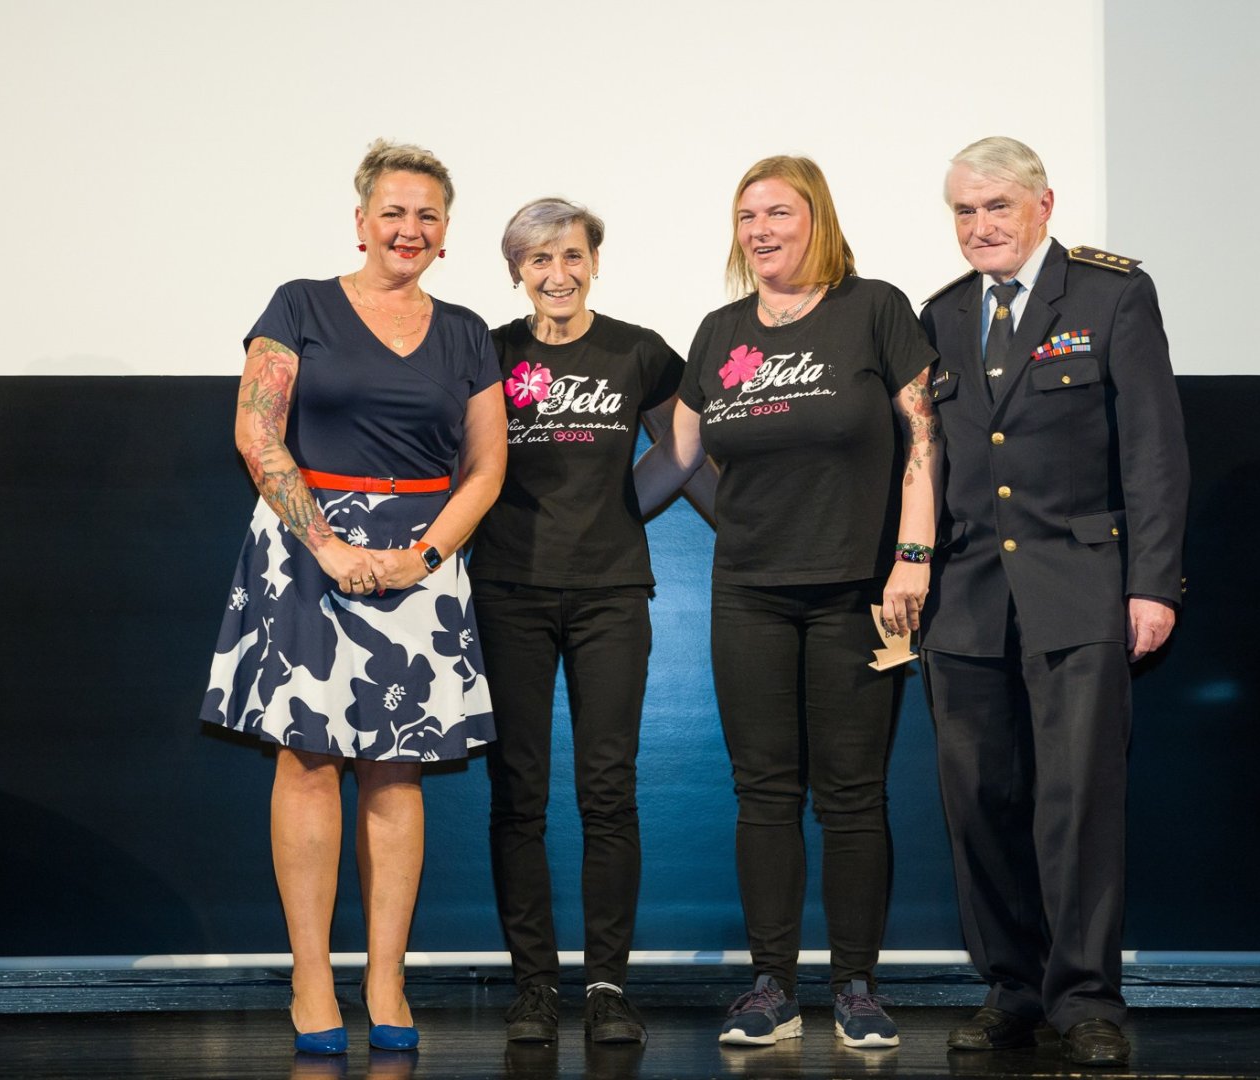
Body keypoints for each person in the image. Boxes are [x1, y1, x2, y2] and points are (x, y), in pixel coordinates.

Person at [201, 139, 507, 1056]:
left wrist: (425, 555)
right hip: (305, 552)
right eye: (394, 211)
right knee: (307, 761)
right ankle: (310, 978)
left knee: (397, 770)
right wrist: (328, 545)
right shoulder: (299, 304)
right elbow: (257, 434)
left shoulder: (467, 332)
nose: (410, 228)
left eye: (427, 215)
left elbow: (487, 467)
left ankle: (386, 979)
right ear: (362, 220)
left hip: (422, 558)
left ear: (446, 233)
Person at [636, 155, 941, 1049]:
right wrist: (577, 515)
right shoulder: (720, 330)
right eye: (747, 216)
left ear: (817, 220)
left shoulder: (874, 309)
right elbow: (676, 460)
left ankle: (857, 988)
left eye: (779, 212)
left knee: (852, 795)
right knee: (764, 792)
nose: (761, 229)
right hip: (749, 594)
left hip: (861, 594)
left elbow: (924, 441)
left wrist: (912, 557)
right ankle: (771, 986)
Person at [918, 135, 1188, 1068]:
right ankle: (1012, 987)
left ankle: (1084, 999)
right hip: (966, 599)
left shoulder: (1112, 296)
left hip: (1080, 589)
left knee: (1076, 802)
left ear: (1044, 205)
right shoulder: (942, 313)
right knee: (978, 802)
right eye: (964, 210)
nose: (980, 225)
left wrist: (1152, 582)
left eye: (997, 205)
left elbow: (1153, 450)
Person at [469, 197, 710, 1046]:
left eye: (572, 255)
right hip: (509, 589)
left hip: (611, 594)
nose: (558, 273)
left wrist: (624, 506)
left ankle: (608, 987)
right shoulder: (490, 352)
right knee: (519, 793)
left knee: (608, 791)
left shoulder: (638, 351)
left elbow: (684, 451)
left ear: (594, 261)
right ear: (517, 271)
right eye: (539, 259)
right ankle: (534, 988)